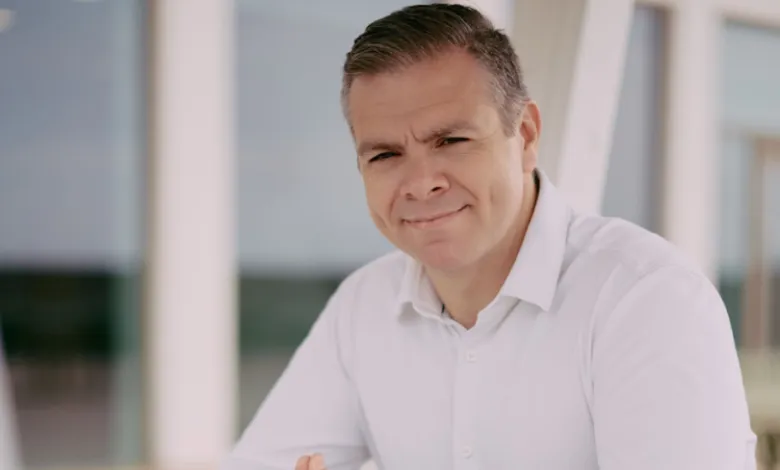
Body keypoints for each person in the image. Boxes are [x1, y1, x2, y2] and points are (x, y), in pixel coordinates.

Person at [223, 4, 756, 470]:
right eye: (385, 154)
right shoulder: (363, 307)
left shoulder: (646, 299)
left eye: (452, 140)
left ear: (523, 136)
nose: (421, 181)